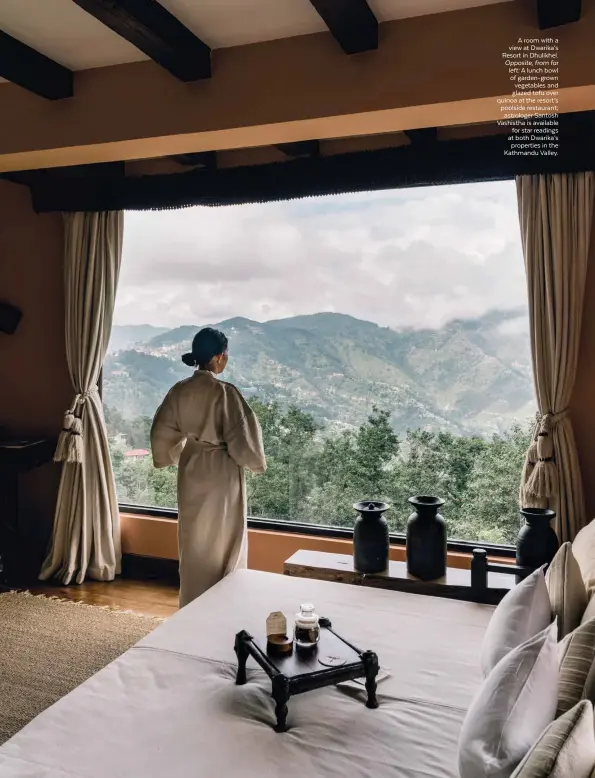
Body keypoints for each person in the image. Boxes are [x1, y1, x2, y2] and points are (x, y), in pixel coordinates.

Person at [150, 327, 266, 607]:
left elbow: (161, 433)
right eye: (225, 355)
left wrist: (176, 454)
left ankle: (192, 601)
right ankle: (224, 603)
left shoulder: (179, 391)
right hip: (221, 471)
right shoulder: (225, 393)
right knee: (223, 540)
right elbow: (243, 441)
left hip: (191, 467)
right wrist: (255, 462)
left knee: (194, 540)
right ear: (217, 357)